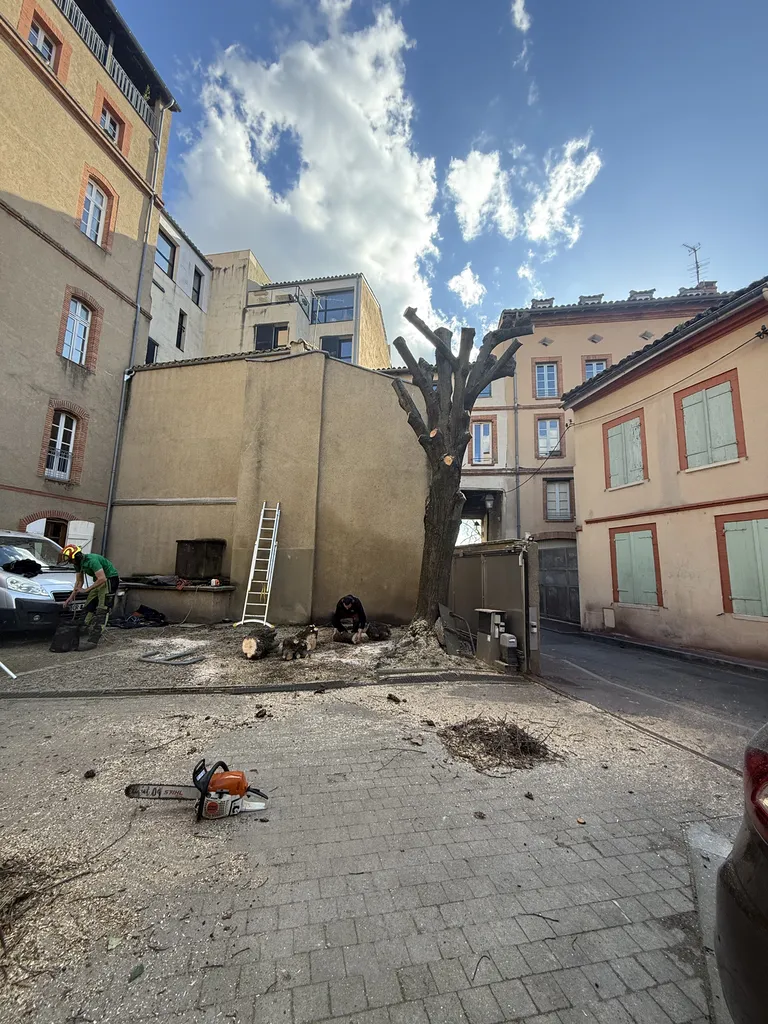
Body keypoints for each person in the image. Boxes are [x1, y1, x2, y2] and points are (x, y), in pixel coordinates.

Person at [62, 546, 120, 649]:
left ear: (77, 556)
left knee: (102, 609)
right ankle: (78, 634)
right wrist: (70, 598)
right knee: (88, 606)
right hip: (99, 581)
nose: (71, 562)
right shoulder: (77, 564)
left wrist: (87, 590)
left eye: (71, 560)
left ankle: (93, 640)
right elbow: (79, 582)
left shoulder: (92, 560)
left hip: (109, 580)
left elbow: (102, 578)